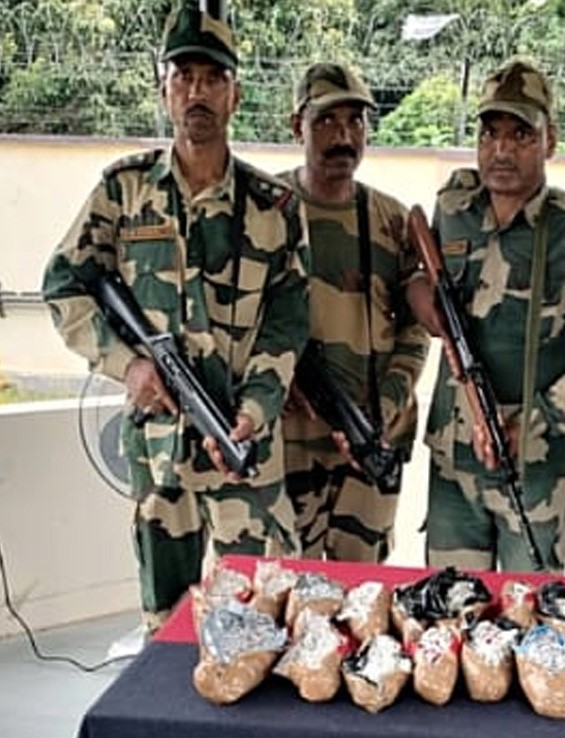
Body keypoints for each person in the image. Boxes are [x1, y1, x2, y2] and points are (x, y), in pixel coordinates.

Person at [41, 3, 310, 631]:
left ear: (235, 95)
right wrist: (127, 364)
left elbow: (289, 321)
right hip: (160, 453)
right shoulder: (123, 191)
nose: (197, 92)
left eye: (213, 78)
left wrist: (255, 410)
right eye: (183, 77)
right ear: (164, 90)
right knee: (166, 626)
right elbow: (63, 286)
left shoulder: (273, 206)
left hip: (242, 447)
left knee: (260, 622)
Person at [409, 59, 565, 572]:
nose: (502, 150)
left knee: (527, 604)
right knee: (448, 601)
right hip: (452, 464)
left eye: (521, 135)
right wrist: (418, 294)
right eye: (490, 133)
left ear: (550, 140)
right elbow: (418, 278)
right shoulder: (454, 209)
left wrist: (530, 424)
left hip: (534, 467)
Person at [279, 62, 429, 563]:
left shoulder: (391, 220)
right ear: (296, 125)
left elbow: (416, 330)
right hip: (292, 441)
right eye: (326, 121)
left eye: (355, 121)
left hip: (372, 439)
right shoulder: (267, 211)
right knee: (290, 583)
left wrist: (387, 404)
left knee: (364, 585)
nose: (343, 136)